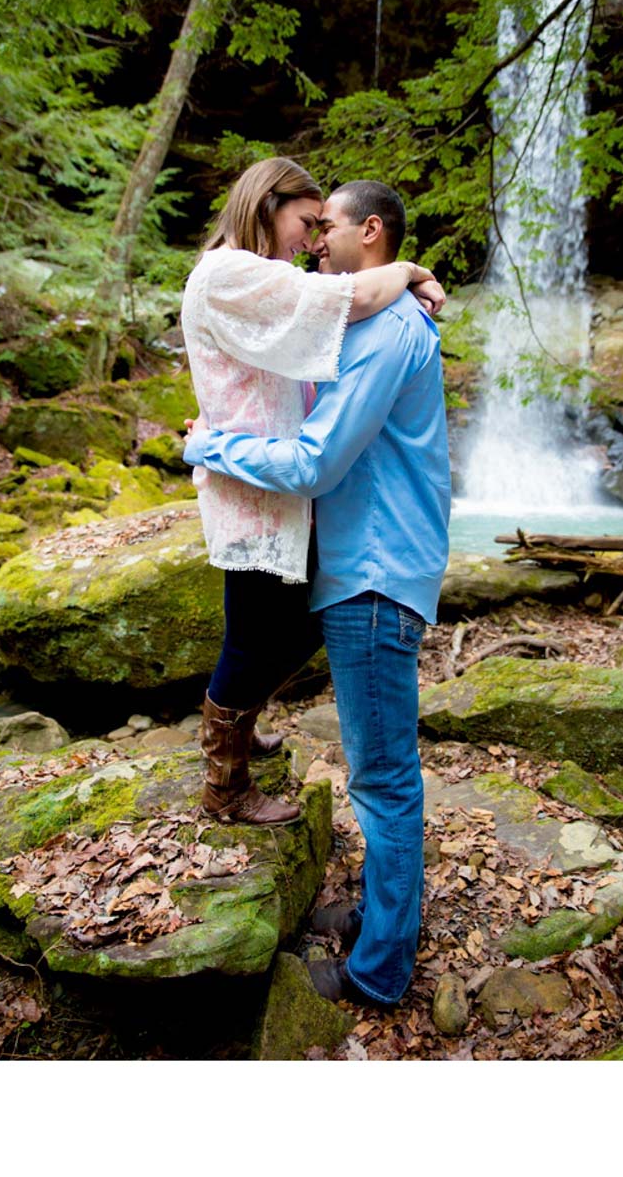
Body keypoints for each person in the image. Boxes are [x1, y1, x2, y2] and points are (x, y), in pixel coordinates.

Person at [185, 179, 450, 1008]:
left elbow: (314, 463)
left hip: (371, 573)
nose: (314, 246)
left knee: (383, 780)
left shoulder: (382, 334)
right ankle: (377, 917)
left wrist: (210, 443)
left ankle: (379, 974)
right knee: (382, 773)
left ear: (367, 232)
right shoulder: (379, 319)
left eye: (325, 228)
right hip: (372, 563)